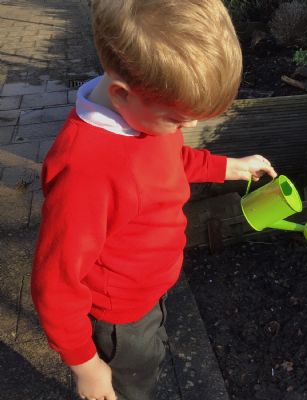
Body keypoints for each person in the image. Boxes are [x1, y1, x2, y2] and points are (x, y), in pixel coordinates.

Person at [31, 1, 277, 400]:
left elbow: (169, 159)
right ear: (121, 94)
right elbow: (55, 283)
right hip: (120, 317)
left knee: (149, 358)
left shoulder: (142, 117)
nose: (189, 126)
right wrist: (86, 366)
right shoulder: (88, 173)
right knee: (132, 385)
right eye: (178, 120)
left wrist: (226, 167)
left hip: (147, 288)